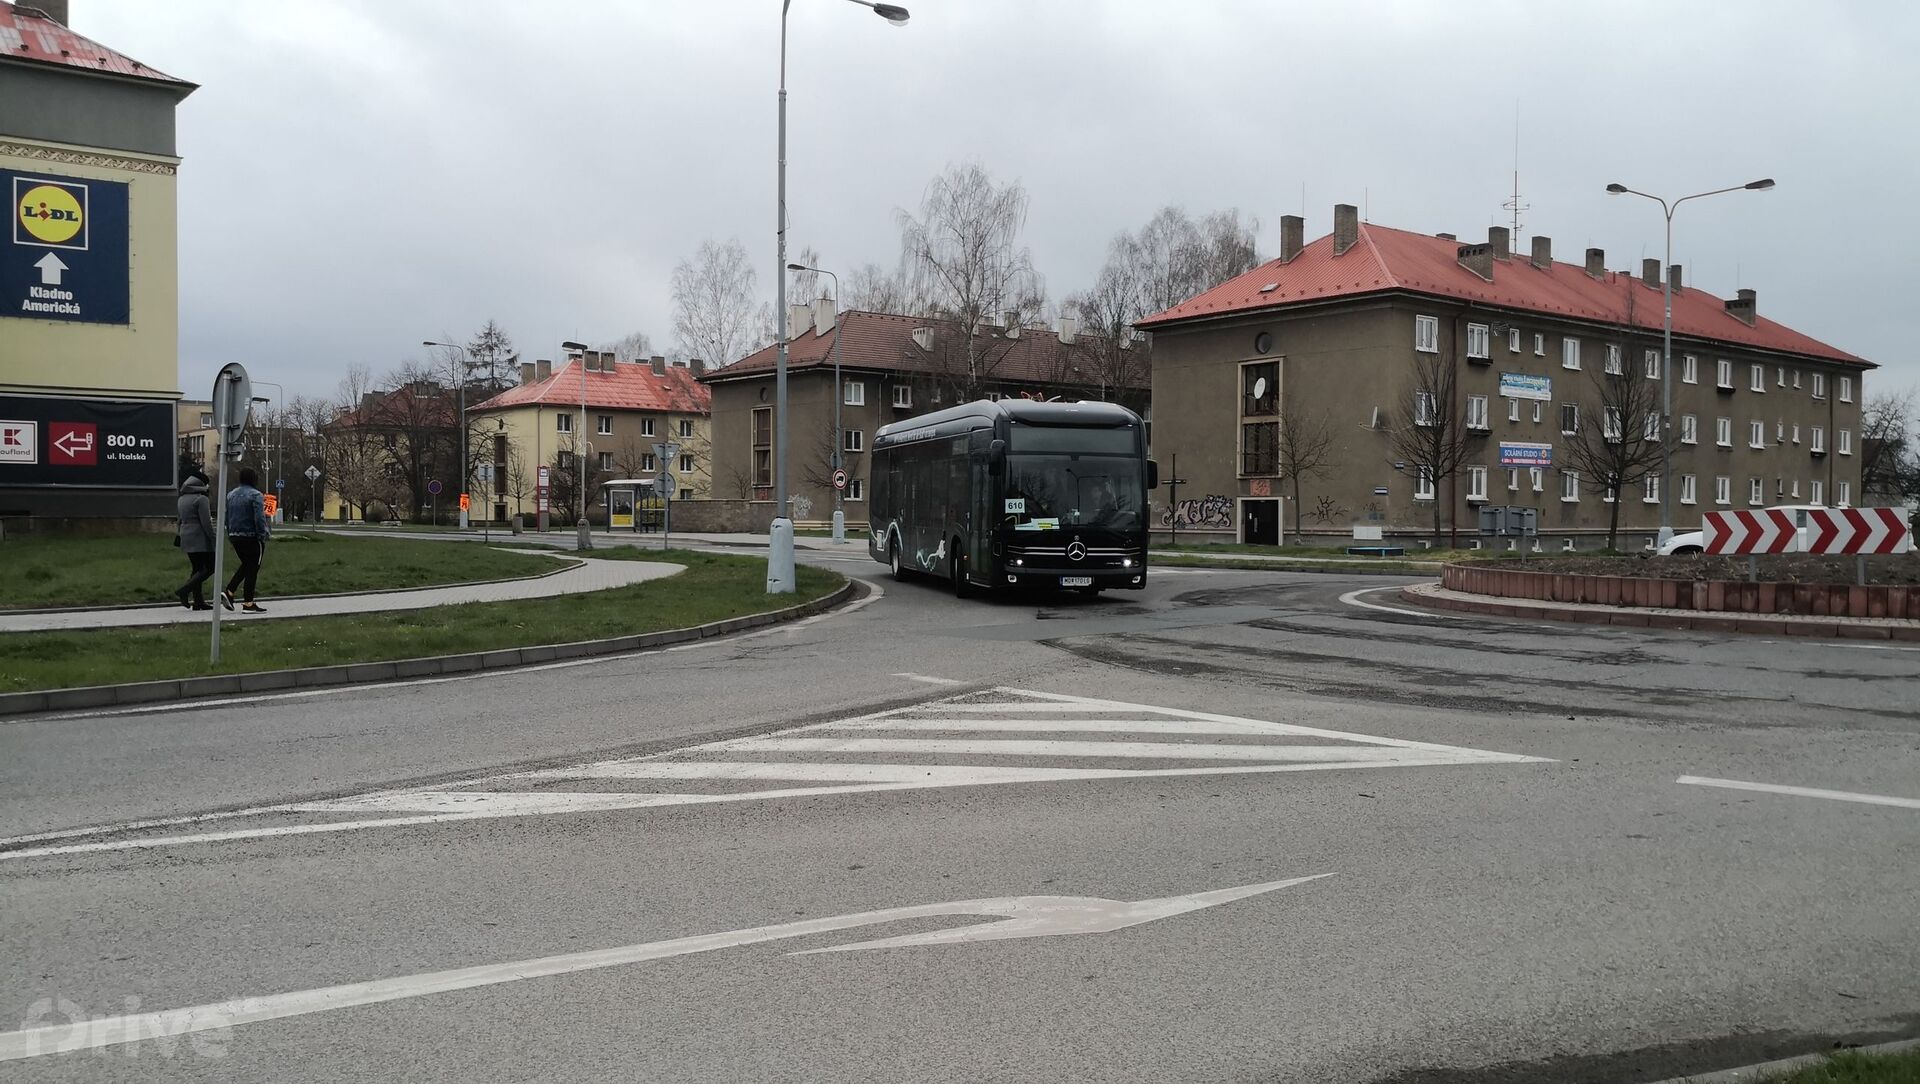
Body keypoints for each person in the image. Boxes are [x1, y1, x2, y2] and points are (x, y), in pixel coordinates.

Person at [221, 467, 271, 613]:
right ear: (254, 479)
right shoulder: (256, 495)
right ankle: (248, 603)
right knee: (253, 568)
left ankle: (230, 591)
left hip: (235, 536)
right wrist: (262, 534)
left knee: (247, 565)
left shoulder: (231, 495)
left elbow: (227, 517)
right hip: (251, 536)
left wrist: (230, 533)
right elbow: (259, 518)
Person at [173, 470, 216, 610]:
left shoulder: (182, 499)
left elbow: (179, 520)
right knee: (210, 567)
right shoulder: (201, 499)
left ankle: (198, 601)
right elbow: (206, 523)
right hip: (200, 538)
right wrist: (213, 538)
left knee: (197, 568)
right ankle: (184, 590)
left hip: (186, 536)